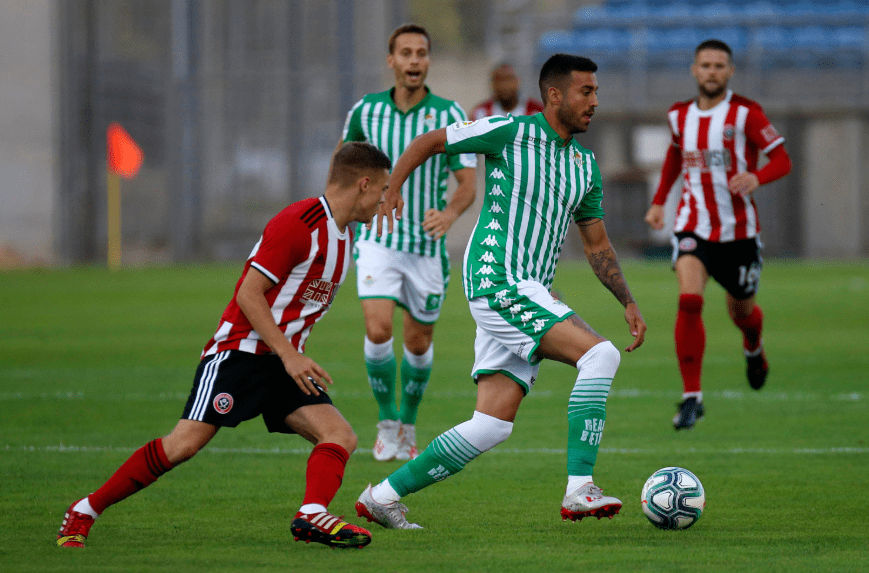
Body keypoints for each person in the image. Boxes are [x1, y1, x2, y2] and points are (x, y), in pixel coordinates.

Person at [355, 53, 647, 529]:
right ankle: (579, 490)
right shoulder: (511, 132)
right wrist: (395, 187)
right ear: (555, 95)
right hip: (497, 277)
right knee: (600, 357)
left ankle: (381, 497)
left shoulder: (585, 167)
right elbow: (432, 140)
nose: (595, 101)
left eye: (596, 92)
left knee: (491, 425)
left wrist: (628, 301)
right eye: (586, 92)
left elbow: (596, 244)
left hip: (525, 288)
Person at [56, 142, 393, 549]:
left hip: (282, 362)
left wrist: (289, 356)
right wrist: (289, 354)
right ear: (363, 184)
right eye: (383, 188)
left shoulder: (345, 238)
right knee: (183, 445)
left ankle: (311, 515)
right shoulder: (298, 224)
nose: (385, 198)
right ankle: (85, 509)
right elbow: (248, 294)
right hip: (241, 353)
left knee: (339, 435)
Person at [340, 24, 477, 462]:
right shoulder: (365, 112)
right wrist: (343, 217)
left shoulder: (449, 112)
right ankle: (385, 423)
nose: (414, 60)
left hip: (426, 248)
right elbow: (345, 169)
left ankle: (408, 424)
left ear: (428, 61)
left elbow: (468, 180)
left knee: (417, 342)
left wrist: (451, 212)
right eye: (406, 53)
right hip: (377, 239)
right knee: (378, 328)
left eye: (421, 53)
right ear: (391, 61)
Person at [644, 39, 792, 431]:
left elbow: (782, 159)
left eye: (719, 66)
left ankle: (753, 346)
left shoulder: (746, 114)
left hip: (738, 233)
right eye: (705, 65)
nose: (711, 72)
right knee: (690, 298)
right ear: (694, 70)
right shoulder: (678, 116)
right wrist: (660, 202)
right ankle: (692, 397)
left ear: (730, 72)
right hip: (693, 226)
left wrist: (757, 176)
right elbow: (675, 156)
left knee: (741, 313)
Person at [470, 63, 544, 121]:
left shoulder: (537, 112)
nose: (504, 85)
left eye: (508, 79)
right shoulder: (480, 113)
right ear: (492, 84)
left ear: (518, 81)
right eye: (499, 80)